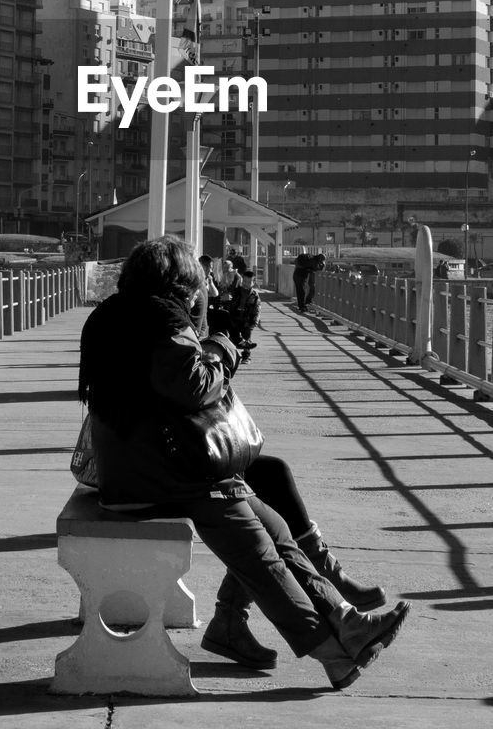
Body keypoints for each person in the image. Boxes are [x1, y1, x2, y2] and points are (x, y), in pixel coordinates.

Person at [79, 236, 409, 690]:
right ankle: (331, 650)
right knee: (253, 540)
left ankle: (343, 617)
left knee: (271, 522)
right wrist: (220, 346)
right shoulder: (160, 319)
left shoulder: (114, 314)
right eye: (194, 285)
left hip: (135, 462)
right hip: (154, 472)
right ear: (179, 282)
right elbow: (191, 388)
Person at [229, 269, 261, 363]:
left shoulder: (255, 295)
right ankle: (232, 356)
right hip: (236, 317)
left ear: (253, 282)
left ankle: (246, 356)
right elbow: (230, 303)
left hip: (247, 320)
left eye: (249, 282)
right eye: (244, 281)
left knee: (247, 337)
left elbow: (257, 309)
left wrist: (254, 322)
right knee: (233, 337)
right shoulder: (236, 291)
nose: (246, 283)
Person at [194, 254, 219, 338]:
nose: (211, 271)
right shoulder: (195, 281)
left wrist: (210, 283)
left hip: (204, 317)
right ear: (203, 267)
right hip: (197, 319)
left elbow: (215, 294)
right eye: (210, 267)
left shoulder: (207, 280)